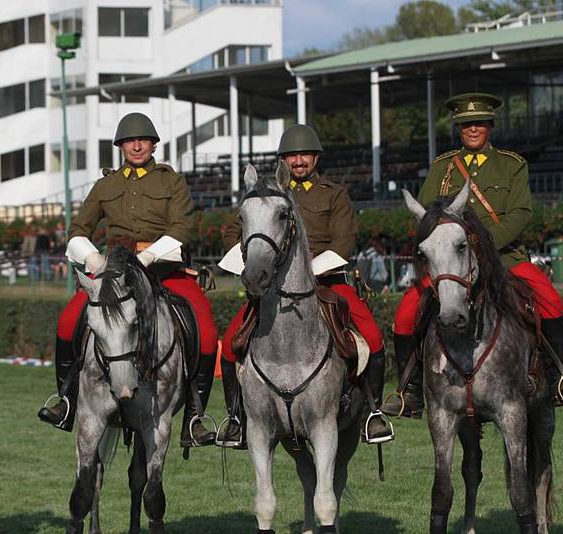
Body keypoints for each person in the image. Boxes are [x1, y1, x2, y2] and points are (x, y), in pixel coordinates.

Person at [37, 112, 219, 448]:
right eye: (129, 141)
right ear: (120, 146)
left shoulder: (170, 181)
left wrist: (148, 256)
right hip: (116, 274)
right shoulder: (106, 185)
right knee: (67, 322)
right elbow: (79, 230)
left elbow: (183, 228)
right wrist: (93, 258)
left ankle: (194, 416)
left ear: (153, 145)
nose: (136, 146)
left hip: (165, 271)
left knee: (206, 333)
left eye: (143, 140)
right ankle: (65, 400)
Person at [382, 92, 563, 418]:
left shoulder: (512, 165)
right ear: (458, 129)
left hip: (504, 258)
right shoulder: (442, 167)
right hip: (449, 263)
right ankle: (410, 391)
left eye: (478, 123)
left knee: (550, 299)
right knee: (406, 311)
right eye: (466, 125)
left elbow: (521, 213)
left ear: (490, 125)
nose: (473, 129)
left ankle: (556, 376)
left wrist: (483, 244)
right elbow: (425, 217)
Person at [218, 124, 393, 447]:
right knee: (230, 343)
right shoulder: (266, 194)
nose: (299, 161)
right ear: (283, 160)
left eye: (305, 155)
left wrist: (305, 273)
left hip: (328, 281)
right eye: (292, 156)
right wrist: (250, 260)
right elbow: (234, 229)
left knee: (373, 337)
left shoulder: (334, 193)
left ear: (315, 158)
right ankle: (235, 417)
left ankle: (373, 411)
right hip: (273, 286)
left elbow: (344, 242)